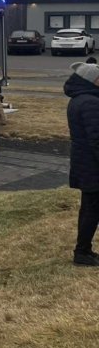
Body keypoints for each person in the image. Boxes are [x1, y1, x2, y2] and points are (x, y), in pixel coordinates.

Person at [63, 61, 99, 266]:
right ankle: (82, 251)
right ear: (91, 81)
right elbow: (96, 139)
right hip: (92, 165)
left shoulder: (80, 99)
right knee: (91, 209)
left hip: (85, 162)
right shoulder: (90, 103)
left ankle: (84, 249)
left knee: (90, 208)